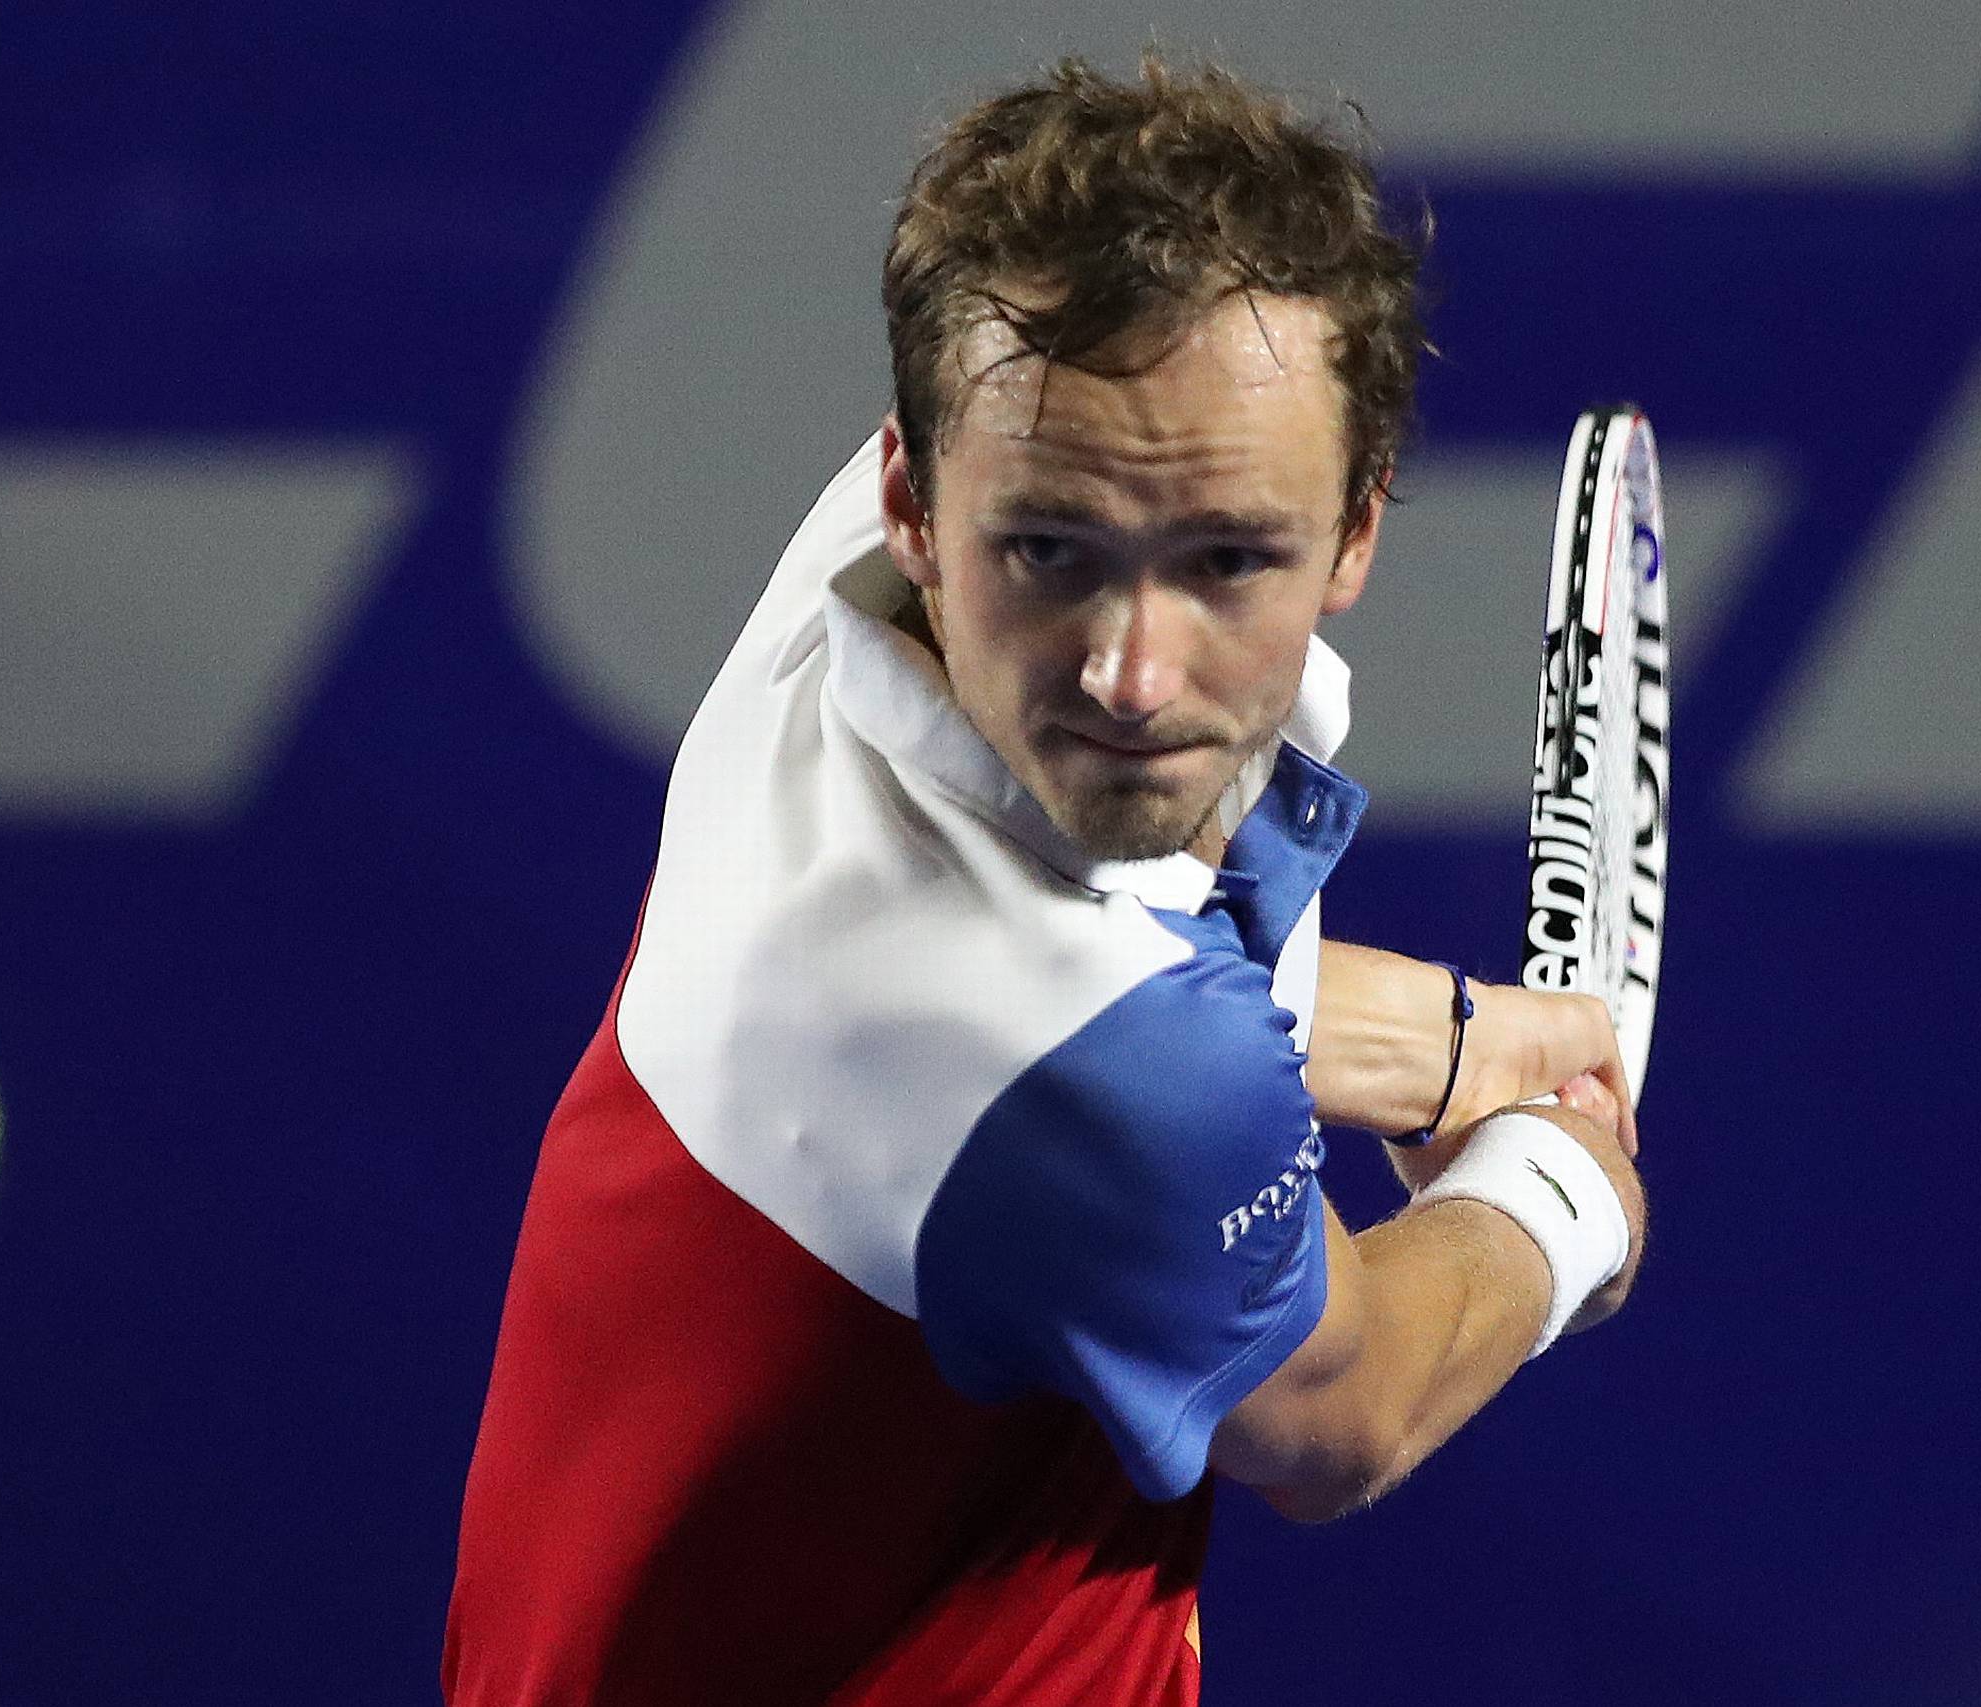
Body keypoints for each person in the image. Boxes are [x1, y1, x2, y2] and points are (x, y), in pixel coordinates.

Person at [444, 51, 1648, 1707]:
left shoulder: (900, 546)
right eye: (1053, 553)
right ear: (915, 501)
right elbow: (1341, 1413)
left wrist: (1445, 1044)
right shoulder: (1094, 1069)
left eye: (1226, 558)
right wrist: (1561, 1197)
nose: (1132, 677)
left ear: (1358, 527)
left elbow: (1111, 969)